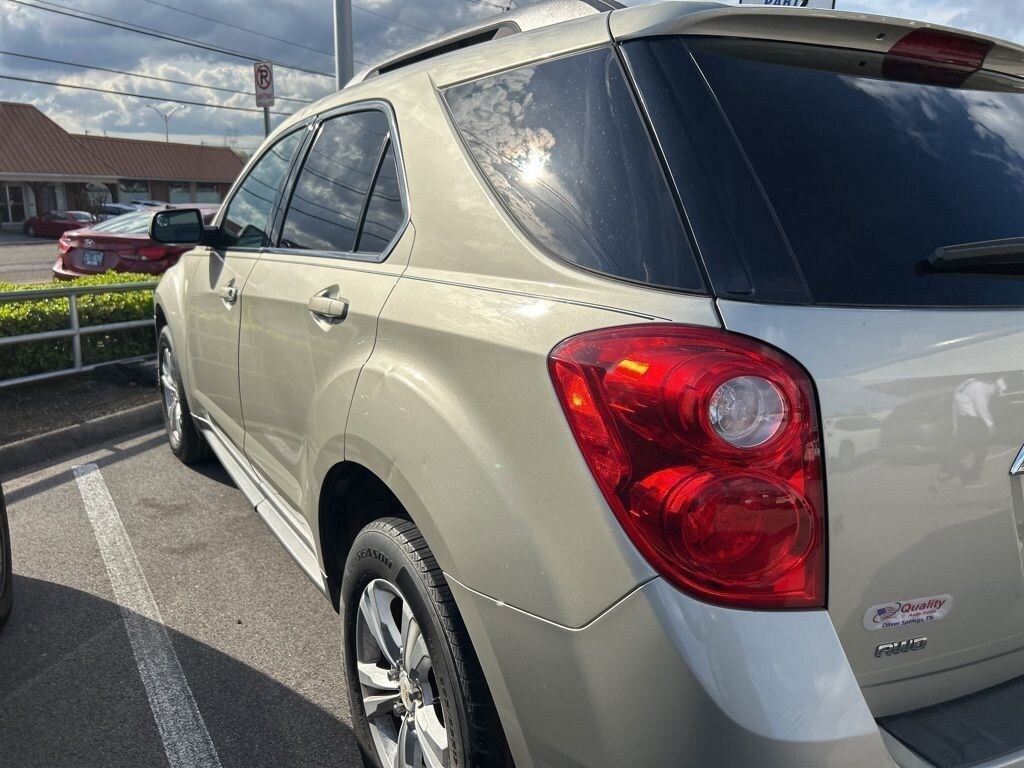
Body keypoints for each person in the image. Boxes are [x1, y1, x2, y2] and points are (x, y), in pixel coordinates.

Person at [944, 376, 1007, 485]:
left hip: (963, 420)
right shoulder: (979, 387)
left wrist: (955, 424)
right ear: (993, 385)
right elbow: (981, 407)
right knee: (981, 449)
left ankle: (951, 469)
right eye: (996, 390)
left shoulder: (964, 385)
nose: (993, 394)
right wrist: (990, 424)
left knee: (962, 448)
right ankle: (972, 476)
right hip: (974, 422)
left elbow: (955, 407)